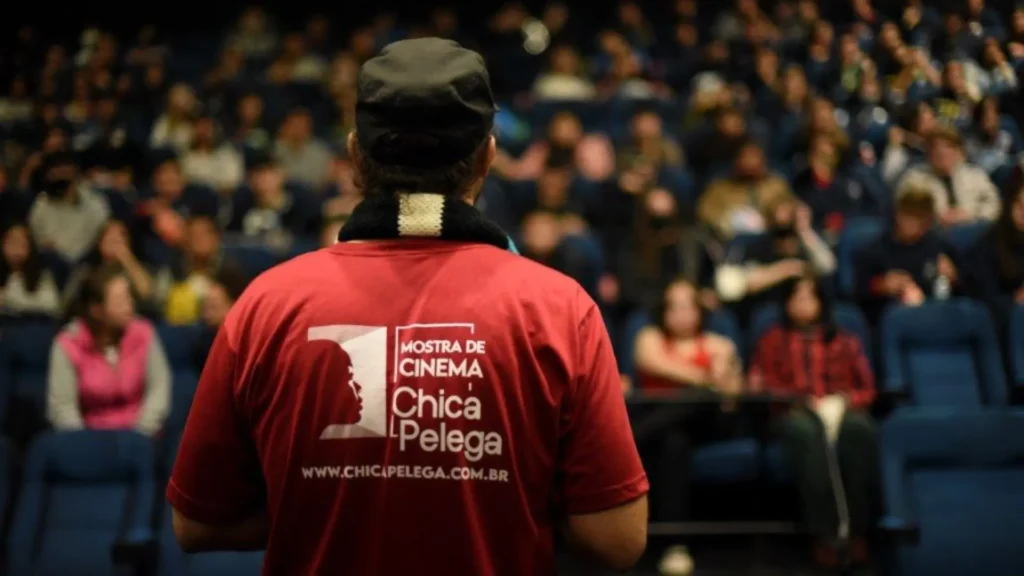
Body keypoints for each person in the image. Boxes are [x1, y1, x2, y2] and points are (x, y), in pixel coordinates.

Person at [168, 38, 648, 575]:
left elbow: (197, 522)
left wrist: (312, 499)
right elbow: (617, 539)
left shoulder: (266, 305)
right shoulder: (561, 309)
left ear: (355, 154)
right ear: (488, 155)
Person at [749, 275, 877, 569]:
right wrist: (800, 400)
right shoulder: (772, 340)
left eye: (810, 297)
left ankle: (856, 531)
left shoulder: (845, 340)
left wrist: (844, 402)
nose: (803, 304)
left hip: (842, 410)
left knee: (861, 430)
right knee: (807, 431)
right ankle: (825, 535)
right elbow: (760, 385)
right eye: (797, 298)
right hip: (793, 414)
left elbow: (868, 388)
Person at [633, 279, 742, 576]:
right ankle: (675, 546)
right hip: (662, 431)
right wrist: (706, 378)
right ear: (663, 311)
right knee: (674, 442)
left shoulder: (719, 342)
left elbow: (731, 393)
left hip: (706, 425)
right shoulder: (649, 337)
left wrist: (709, 387)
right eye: (673, 307)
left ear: (699, 310)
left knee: (700, 399)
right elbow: (653, 362)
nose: (681, 314)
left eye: (687, 306)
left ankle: (628, 440)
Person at [46, 266, 171, 436]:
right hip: (90, 438)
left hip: (141, 437)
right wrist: (84, 443)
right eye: (120, 301)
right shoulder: (68, 344)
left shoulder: (144, 333)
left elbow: (159, 388)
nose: (129, 307)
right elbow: (62, 408)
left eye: (129, 298)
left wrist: (140, 435)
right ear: (96, 310)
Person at [854, 186, 965, 323]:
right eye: (909, 217)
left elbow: (967, 286)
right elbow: (857, 294)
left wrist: (954, 277)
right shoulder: (874, 251)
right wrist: (881, 285)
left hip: (936, 315)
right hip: (894, 319)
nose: (913, 224)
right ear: (898, 216)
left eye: (921, 219)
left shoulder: (939, 246)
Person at [0, 223, 62, 318]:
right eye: (12, 242)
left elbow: (52, 303)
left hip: (30, 323)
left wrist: (8, 297)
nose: (16, 248)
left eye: (22, 243)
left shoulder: (41, 274)